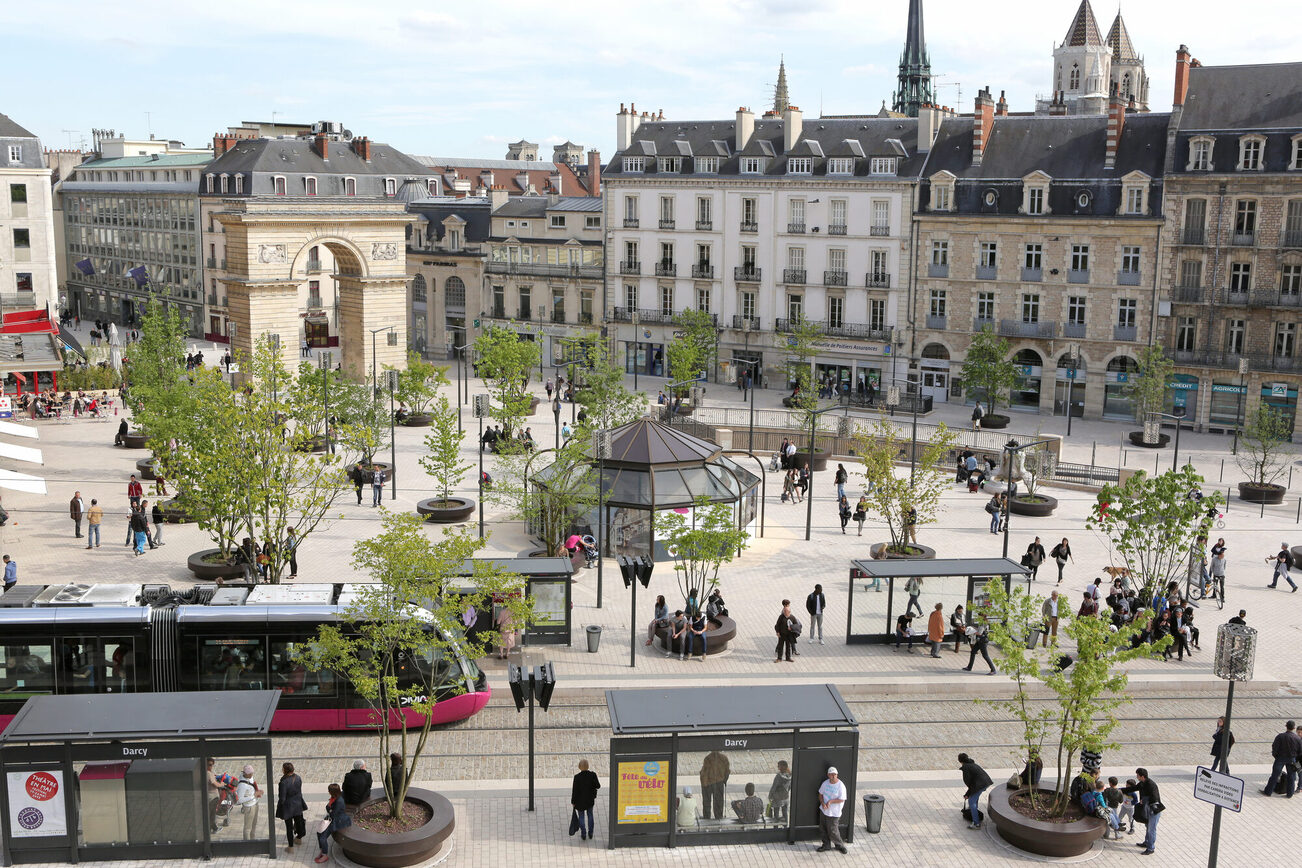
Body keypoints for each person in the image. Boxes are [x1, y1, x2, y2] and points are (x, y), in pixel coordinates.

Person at [1121, 768, 1162, 855]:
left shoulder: (1151, 785)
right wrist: (1120, 790)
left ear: (1142, 776)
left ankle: (1150, 848)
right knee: (1148, 827)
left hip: (1154, 810)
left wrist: (1145, 800)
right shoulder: (1142, 783)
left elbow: (1155, 797)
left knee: (1151, 829)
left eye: (1137, 775)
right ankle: (1147, 842)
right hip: (1148, 809)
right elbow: (1133, 788)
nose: (1136, 776)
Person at [1262, 720, 1302, 797]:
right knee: (1291, 777)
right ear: (1294, 728)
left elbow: (1274, 747)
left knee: (1275, 775)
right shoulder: (1297, 738)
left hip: (1280, 758)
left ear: (1286, 726)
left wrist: (1276, 756)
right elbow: (1300, 751)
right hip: (1292, 759)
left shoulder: (1280, 736)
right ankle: (1290, 794)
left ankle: (1268, 792)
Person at [315, 783, 351, 863]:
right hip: (332, 818)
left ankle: (325, 855)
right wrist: (329, 808)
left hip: (338, 821)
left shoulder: (339, 801)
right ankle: (322, 849)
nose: (328, 792)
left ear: (332, 792)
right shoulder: (335, 797)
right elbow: (330, 809)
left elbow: (332, 813)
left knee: (322, 837)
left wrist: (329, 808)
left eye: (329, 791)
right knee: (319, 832)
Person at [275, 762, 307, 851]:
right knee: (299, 822)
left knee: (289, 827)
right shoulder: (298, 778)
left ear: (285, 770)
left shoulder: (283, 782)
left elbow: (282, 798)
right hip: (298, 804)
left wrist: (280, 806)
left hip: (288, 807)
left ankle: (291, 847)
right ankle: (299, 838)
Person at [816, 767, 848, 853]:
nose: (833, 776)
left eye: (834, 774)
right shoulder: (825, 783)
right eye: (831, 774)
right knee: (823, 828)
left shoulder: (841, 786)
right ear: (828, 775)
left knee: (833, 830)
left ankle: (840, 845)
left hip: (834, 812)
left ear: (837, 775)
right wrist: (822, 803)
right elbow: (820, 794)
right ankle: (826, 845)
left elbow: (842, 799)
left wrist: (830, 802)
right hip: (824, 810)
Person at [958, 753, 992, 830]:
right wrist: (969, 793)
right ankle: (975, 814)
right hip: (985, 782)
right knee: (974, 798)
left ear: (960, 761)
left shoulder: (966, 768)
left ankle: (976, 823)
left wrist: (967, 794)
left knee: (971, 801)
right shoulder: (972, 764)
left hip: (980, 784)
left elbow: (970, 783)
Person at [570, 759, 601, 841]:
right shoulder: (593, 775)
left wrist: (573, 801)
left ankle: (583, 833)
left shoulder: (577, 777)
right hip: (590, 800)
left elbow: (575, 791)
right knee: (590, 815)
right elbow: (598, 786)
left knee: (581, 817)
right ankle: (590, 833)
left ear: (579, 767)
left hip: (580, 801)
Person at [235, 764, 263, 840]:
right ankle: (246, 843)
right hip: (249, 807)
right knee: (248, 827)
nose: (251, 775)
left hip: (255, 803)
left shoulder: (249, 777)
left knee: (254, 825)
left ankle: (252, 840)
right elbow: (239, 800)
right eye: (249, 774)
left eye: (252, 773)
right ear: (245, 773)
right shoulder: (242, 786)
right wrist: (254, 796)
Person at [700, 750, 730, 820]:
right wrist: (725, 780)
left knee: (707, 801)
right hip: (719, 782)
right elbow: (727, 771)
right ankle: (718, 817)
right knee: (719, 801)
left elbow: (705, 772)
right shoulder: (724, 758)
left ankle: (707, 817)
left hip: (708, 783)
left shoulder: (708, 758)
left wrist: (703, 783)